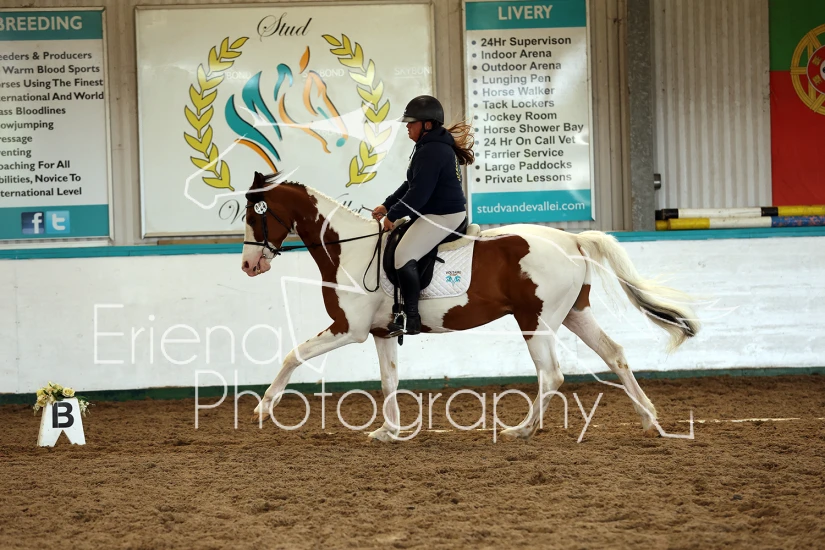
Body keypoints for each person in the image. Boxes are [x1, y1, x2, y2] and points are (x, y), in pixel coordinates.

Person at [372, 94, 475, 337]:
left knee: (403, 255)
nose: (407, 127)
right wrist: (387, 205)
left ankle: (411, 318)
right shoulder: (428, 147)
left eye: (411, 123)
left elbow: (418, 195)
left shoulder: (432, 150)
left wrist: (393, 215)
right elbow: (411, 184)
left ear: (427, 124)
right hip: (436, 213)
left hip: (443, 215)